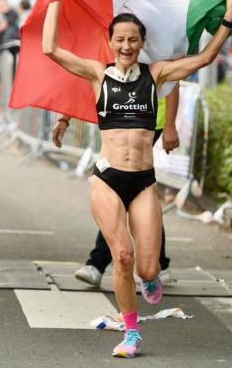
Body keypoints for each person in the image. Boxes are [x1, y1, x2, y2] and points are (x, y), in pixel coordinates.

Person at [43, 0, 232, 358]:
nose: (126, 46)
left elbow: (205, 58)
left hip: (143, 182)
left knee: (148, 267)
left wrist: (229, 17)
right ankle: (132, 332)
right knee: (122, 254)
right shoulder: (97, 73)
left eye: (133, 40)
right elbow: (50, 49)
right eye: (119, 39)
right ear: (110, 42)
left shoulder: (157, 74)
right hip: (107, 178)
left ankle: (149, 278)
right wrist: (55, 0)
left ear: (142, 44)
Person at [52, 82, 181, 288]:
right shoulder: (109, 58)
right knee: (127, 192)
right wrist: (64, 118)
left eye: (133, 45)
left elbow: (173, 79)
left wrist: (170, 126)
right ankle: (157, 263)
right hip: (118, 120)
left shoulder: (152, 58)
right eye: (120, 45)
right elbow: (86, 80)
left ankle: (99, 262)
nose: (127, 47)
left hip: (150, 121)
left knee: (126, 190)